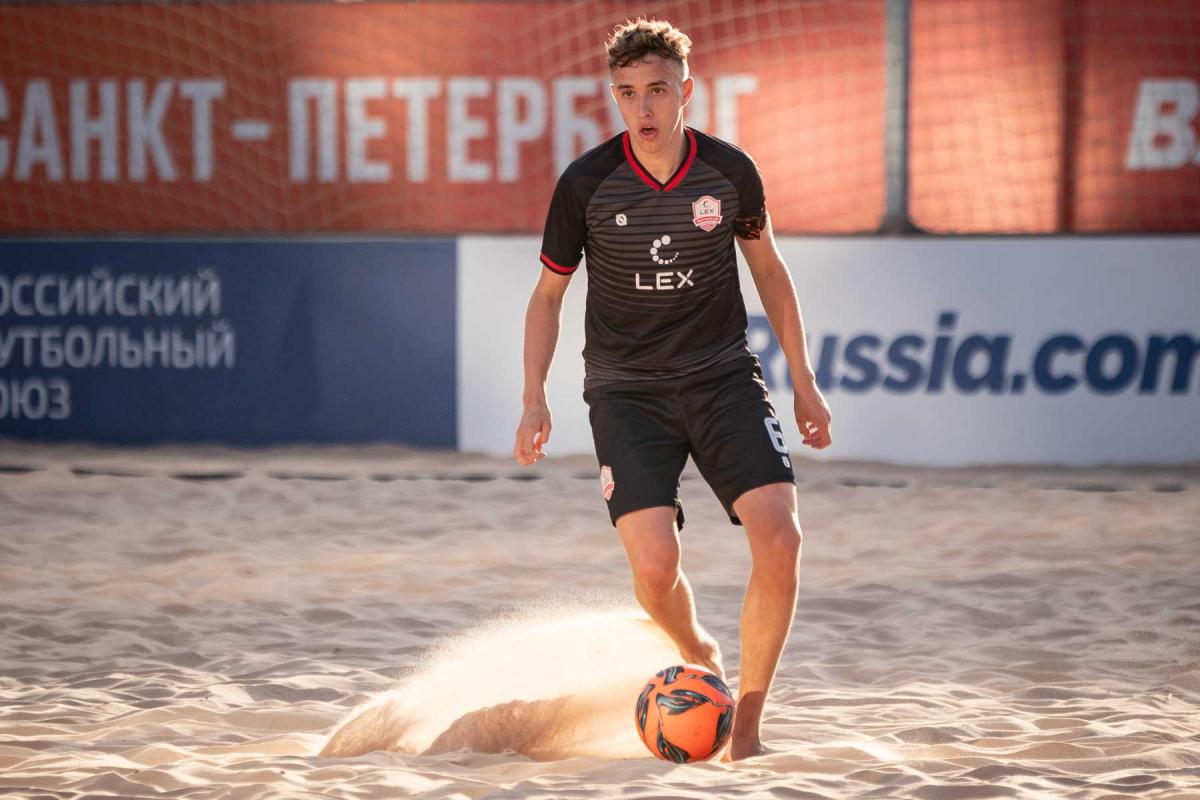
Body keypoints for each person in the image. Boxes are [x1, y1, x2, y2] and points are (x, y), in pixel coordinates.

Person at [512, 17, 832, 761]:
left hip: (722, 377)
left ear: (687, 91)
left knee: (781, 536)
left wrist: (805, 384)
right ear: (614, 98)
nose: (643, 108)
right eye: (627, 94)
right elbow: (548, 296)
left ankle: (746, 729)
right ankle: (698, 652)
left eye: (657, 90)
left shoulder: (729, 172)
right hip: (626, 391)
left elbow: (770, 271)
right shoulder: (587, 183)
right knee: (655, 570)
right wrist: (534, 396)